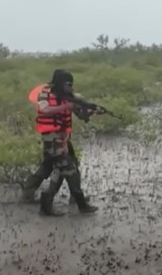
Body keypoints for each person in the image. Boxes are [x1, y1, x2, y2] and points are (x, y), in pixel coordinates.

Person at [21, 69, 101, 216]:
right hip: (51, 137)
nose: (70, 87)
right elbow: (44, 109)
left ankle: (37, 197)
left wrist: (90, 111)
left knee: (55, 166)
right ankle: (77, 203)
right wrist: (66, 106)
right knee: (67, 168)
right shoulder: (45, 93)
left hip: (63, 137)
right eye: (68, 84)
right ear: (59, 83)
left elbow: (80, 114)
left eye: (72, 84)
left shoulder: (70, 96)